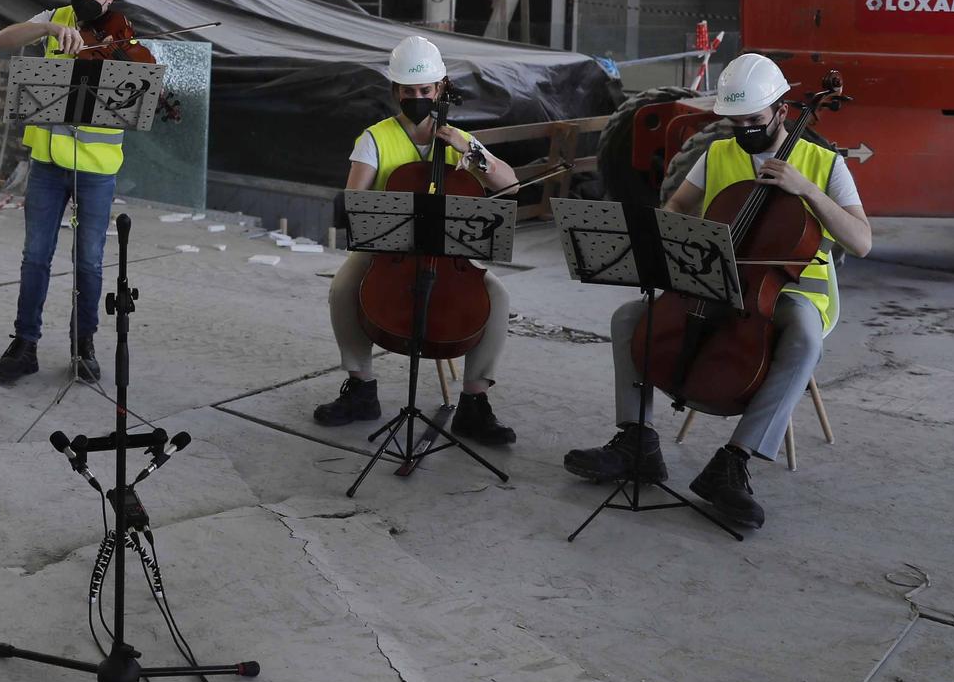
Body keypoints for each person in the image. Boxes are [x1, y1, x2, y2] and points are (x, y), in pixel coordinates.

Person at [563, 53, 872, 529]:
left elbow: (862, 241)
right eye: (735, 121)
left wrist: (807, 191)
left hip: (794, 292)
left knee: (805, 337)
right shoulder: (718, 153)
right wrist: (676, 232)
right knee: (629, 317)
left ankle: (735, 460)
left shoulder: (823, 162)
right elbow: (677, 206)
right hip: (714, 275)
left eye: (754, 120)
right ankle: (637, 441)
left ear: (781, 112)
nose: (744, 129)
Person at [313, 36, 523, 447]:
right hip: (387, 251)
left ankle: (474, 403)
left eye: (425, 90)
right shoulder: (373, 139)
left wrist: (468, 149)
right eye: (408, 91)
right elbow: (355, 203)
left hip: (451, 256)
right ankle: (361, 388)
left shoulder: (460, 140)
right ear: (395, 92)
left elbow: (510, 185)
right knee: (342, 288)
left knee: (498, 298)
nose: (417, 98)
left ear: (440, 89)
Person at [0, 0, 128, 386]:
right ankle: (25, 344)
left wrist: (114, 56)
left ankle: (83, 344)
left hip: (96, 169)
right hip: (47, 164)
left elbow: (135, 95)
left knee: (89, 262)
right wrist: (44, 27)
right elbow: (1, 40)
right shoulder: (57, 19)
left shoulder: (125, 36)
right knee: (35, 256)